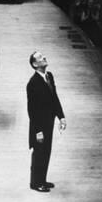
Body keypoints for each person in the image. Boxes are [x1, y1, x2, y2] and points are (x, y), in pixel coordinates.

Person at [27, 51, 67, 192]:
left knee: (46, 152)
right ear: (35, 64)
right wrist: (38, 132)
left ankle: (42, 180)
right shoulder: (32, 83)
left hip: (49, 122)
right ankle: (35, 183)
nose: (44, 57)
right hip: (39, 125)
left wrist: (61, 117)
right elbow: (32, 111)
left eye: (43, 56)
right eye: (40, 57)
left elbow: (54, 98)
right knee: (39, 153)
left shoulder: (49, 76)